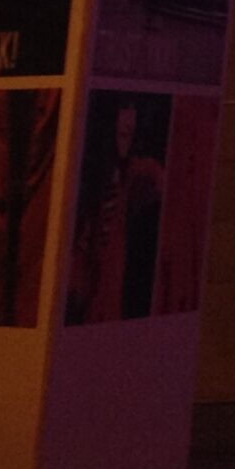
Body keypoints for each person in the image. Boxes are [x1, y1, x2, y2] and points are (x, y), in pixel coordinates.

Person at [68, 96, 165, 323]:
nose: (130, 120)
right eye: (124, 108)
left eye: (133, 109)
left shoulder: (136, 174)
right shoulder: (86, 180)